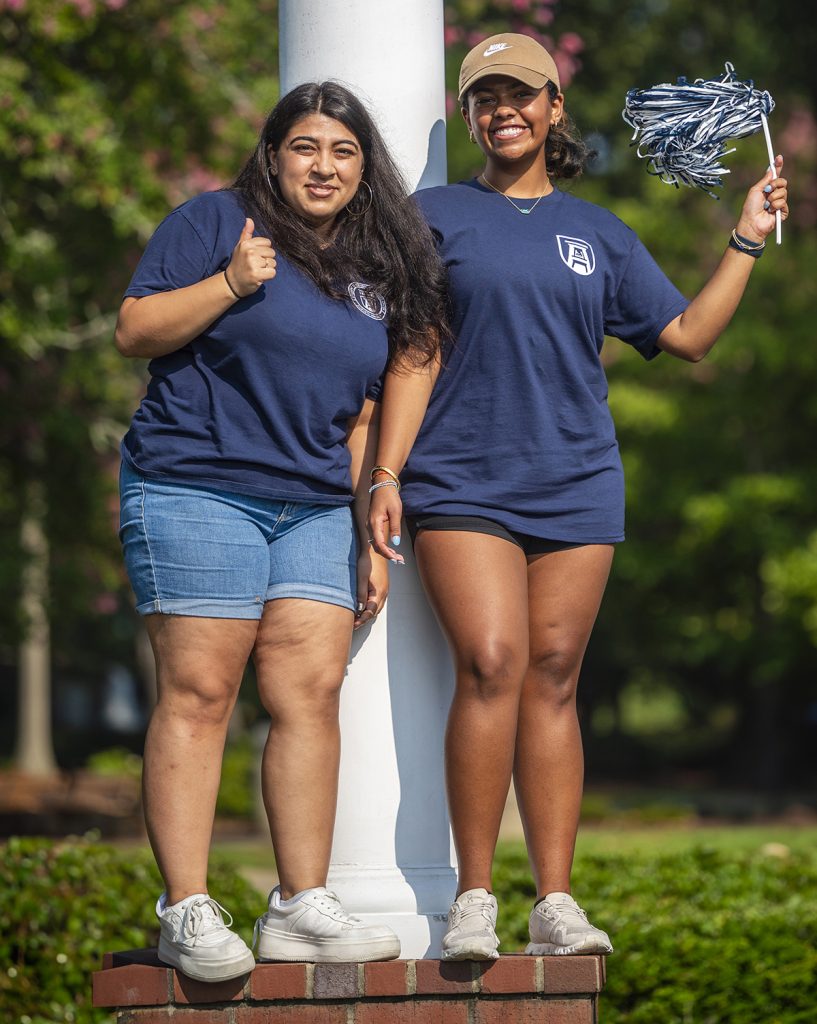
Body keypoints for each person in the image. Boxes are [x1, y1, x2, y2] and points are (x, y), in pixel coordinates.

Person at [368, 33, 789, 961]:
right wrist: (385, 475)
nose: (502, 110)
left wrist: (744, 237)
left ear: (554, 109)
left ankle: (553, 902)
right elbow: (413, 351)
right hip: (463, 479)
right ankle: (473, 897)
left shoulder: (599, 231)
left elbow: (684, 336)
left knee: (553, 678)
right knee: (492, 661)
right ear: (471, 115)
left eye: (521, 94)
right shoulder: (431, 215)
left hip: (576, 479)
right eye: (485, 97)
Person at [116, 81, 446, 980]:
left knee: (308, 697)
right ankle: (185, 909)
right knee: (200, 693)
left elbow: (356, 413)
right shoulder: (216, 222)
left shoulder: (375, 269)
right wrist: (229, 283)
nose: (324, 166)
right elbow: (135, 329)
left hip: (308, 505)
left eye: (342, 152)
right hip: (196, 485)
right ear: (273, 155)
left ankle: (300, 905)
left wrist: (368, 514)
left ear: (362, 167)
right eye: (305, 147)